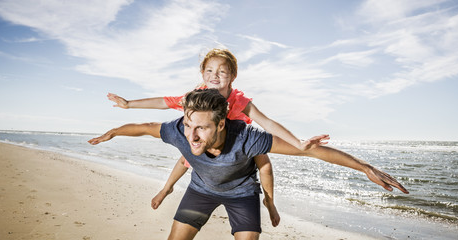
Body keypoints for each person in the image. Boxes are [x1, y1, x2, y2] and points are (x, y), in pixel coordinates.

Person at [89, 89, 409, 240]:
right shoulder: (181, 131)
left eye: (201, 128)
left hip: (242, 194)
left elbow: (309, 152)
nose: (192, 135)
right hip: (201, 191)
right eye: (188, 126)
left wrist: (365, 167)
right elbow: (145, 126)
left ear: (222, 125)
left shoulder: (248, 138)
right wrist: (114, 131)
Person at [107, 48, 308, 226]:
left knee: (264, 163)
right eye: (209, 70)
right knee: (186, 157)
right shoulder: (196, 96)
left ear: (232, 76)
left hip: (237, 145)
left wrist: (297, 143)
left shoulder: (239, 101)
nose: (215, 75)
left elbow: (267, 122)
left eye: (222, 71)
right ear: (203, 74)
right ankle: (166, 188)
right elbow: (164, 101)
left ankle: (270, 202)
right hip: (207, 139)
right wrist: (129, 104)